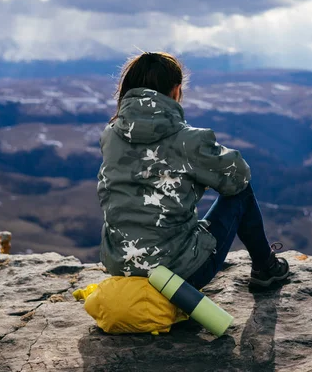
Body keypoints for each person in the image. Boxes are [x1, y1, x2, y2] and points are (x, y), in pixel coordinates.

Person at [96, 51, 290, 290]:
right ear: (176, 91)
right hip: (177, 276)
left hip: (120, 268)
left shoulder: (110, 135)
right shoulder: (188, 141)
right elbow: (239, 176)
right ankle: (266, 267)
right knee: (240, 194)